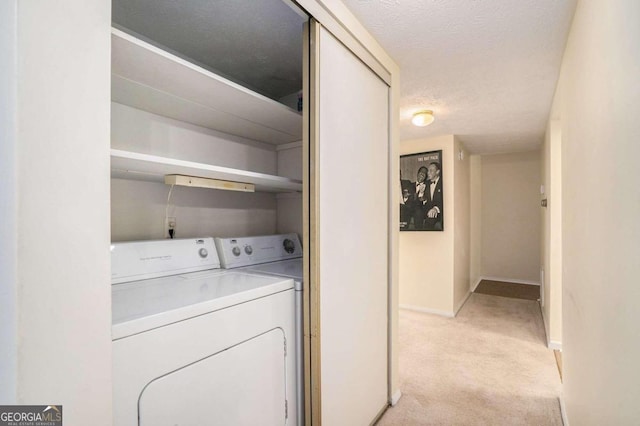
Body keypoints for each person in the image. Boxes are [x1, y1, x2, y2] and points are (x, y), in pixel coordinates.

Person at [423, 161, 443, 230]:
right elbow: (423, 200)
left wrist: (436, 209)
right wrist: (421, 194)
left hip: (439, 212)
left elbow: (447, 201)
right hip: (427, 210)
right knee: (418, 214)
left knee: (430, 219)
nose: (428, 173)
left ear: (437, 172)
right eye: (428, 170)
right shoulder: (426, 183)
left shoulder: (443, 183)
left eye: (431, 171)